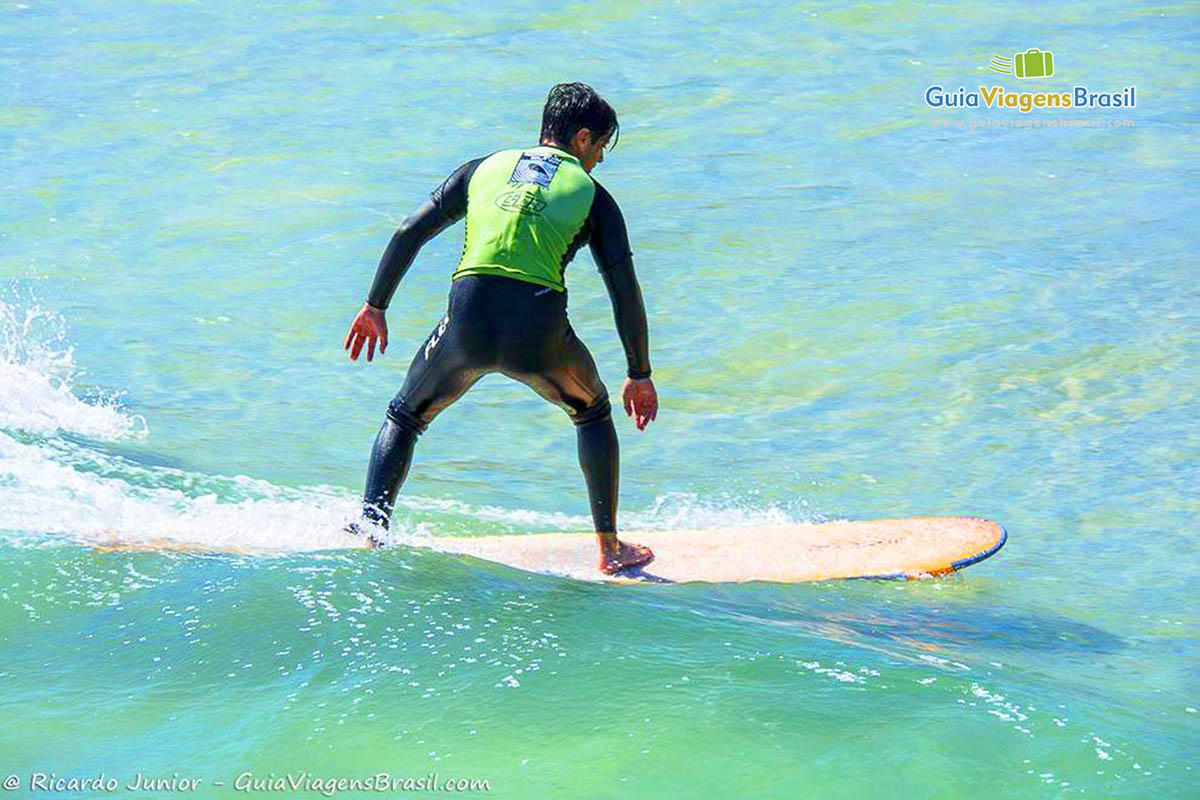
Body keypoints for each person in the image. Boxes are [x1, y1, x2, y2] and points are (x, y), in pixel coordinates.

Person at [343, 82, 658, 575]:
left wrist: (375, 305)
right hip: (539, 332)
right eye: (599, 149)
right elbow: (624, 289)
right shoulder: (595, 199)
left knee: (405, 417)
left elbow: (409, 231)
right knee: (592, 411)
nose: (598, 162)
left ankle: (369, 531)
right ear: (581, 139)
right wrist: (639, 373)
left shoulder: (482, 169)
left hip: (465, 324)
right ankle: (609, 549)